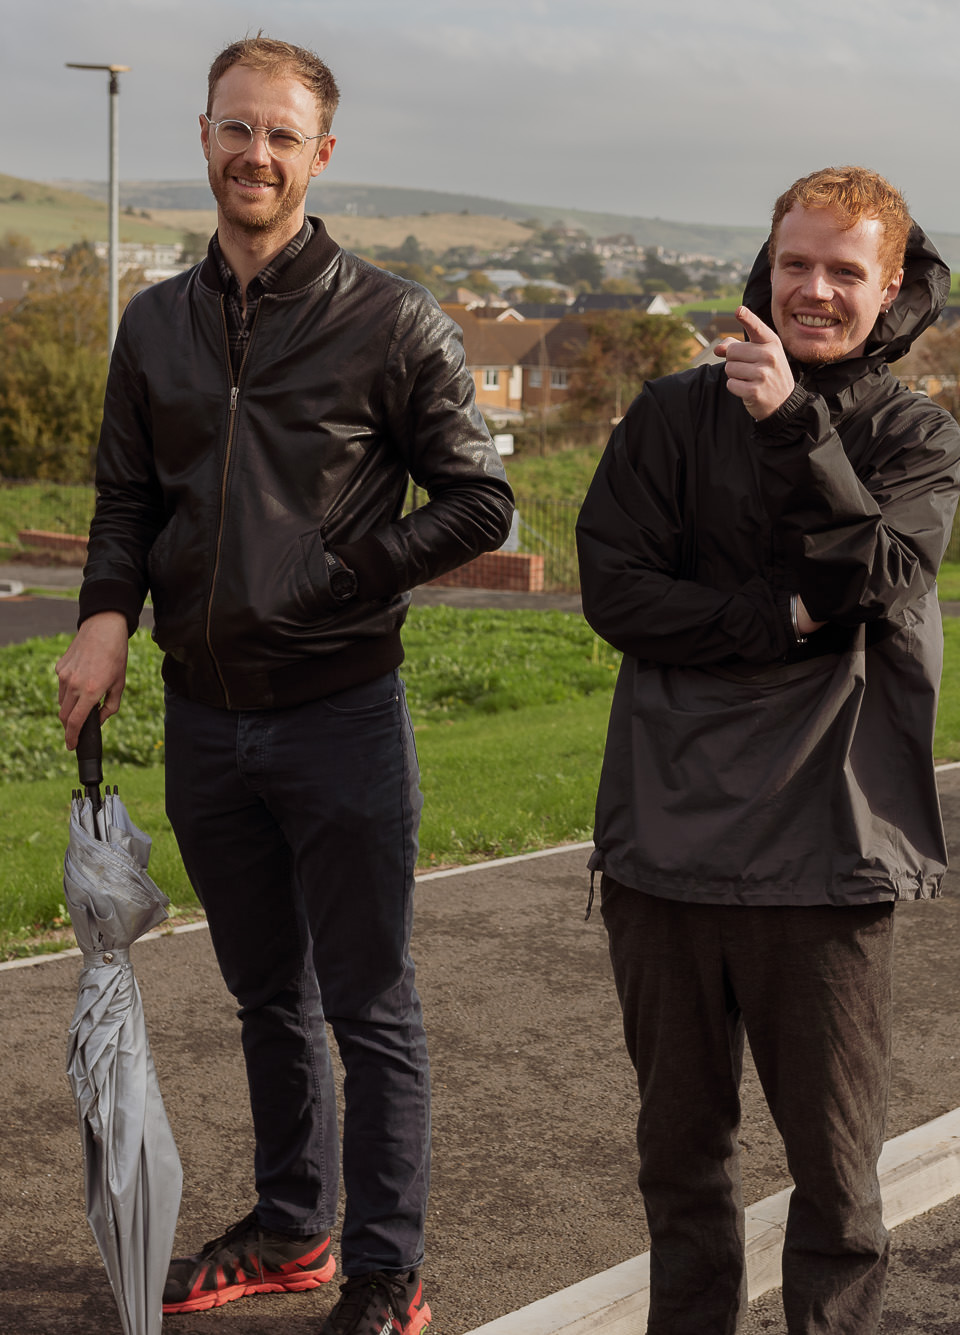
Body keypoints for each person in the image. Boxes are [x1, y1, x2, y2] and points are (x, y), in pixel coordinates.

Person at [55, 36, 513, 1335]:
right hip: (206, 717)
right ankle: (294, 1226)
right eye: (235, 129)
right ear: (203, 136)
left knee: (369, 999)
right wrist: (104, 619)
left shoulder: (392, 318)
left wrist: (347, 567)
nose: (256, 155)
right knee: (266, 992)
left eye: (281, 135)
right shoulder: (154, 324)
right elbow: (126, 499)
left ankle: (386, 1266)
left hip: (341, 712)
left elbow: (481, 496)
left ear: (322, 155)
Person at [576, 165, 960, 1335]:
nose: (815, 289)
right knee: (681, 1173)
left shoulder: (914, 435)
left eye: (845, 271)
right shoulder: (667, 416)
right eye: (796, 262)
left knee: (836, 1188)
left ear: (889, 284)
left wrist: (792, 424)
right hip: (664, 850)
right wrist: (776, 621)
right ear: (767, 260)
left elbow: (881, 578)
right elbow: (615, 593)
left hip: (828, 856)